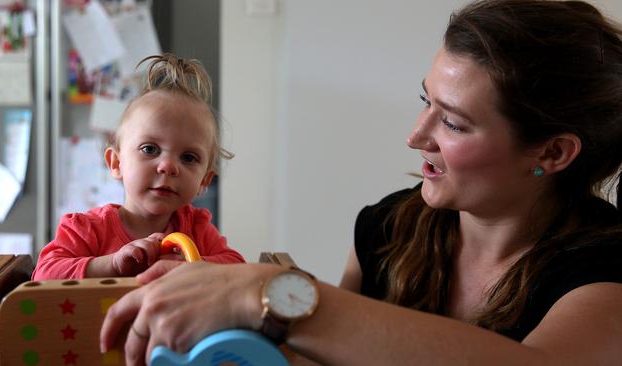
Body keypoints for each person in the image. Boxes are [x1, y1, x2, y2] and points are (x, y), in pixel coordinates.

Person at [100, 1, 622, 364]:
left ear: (552, 152)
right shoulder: (386, 228)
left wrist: (272, 293)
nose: (417, 137)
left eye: (454, 123)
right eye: (426, 103)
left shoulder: (607, 267)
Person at [33, 54, 245, 280]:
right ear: (116, 163)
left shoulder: (197, 229)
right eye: (150, 149)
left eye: (189, 157)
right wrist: (112, 264)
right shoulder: (87, 230)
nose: (168, 166)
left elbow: (238, 269)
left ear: (204, 180)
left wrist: (194, 265)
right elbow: (43, 275)